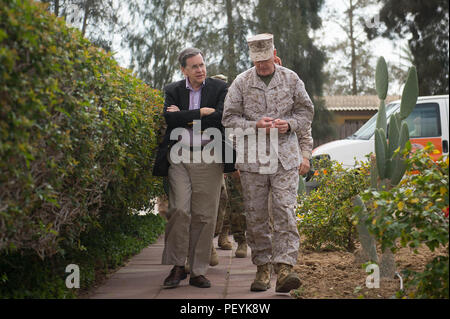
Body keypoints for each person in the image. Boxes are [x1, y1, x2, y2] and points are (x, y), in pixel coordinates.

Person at [222, 33, 314, 293]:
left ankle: (285, 268)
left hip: (285, 157)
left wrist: (290, 125)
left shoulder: (291, 79)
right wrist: (254, 125)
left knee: (285, 210)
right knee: (257, 216)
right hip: (254, 161)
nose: (262, 66)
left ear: (274, 55)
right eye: (257, 62)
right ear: (252, 59)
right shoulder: (241, 82)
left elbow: (306, 111)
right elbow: (228, 119)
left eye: (266, 60)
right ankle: (262, 267)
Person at [153, 47, 235, 289]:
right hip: (178, 157)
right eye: (195, 66)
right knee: (179, 210)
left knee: (204, 215)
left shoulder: (220, 88)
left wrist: (185, 116)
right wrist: (199, 112)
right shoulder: (172, 90)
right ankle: (178, 266)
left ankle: (198, 270)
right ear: (184, 70)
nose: (200, 70)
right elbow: (170, 119)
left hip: (210, 157)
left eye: (202, 64)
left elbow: (219, 118)